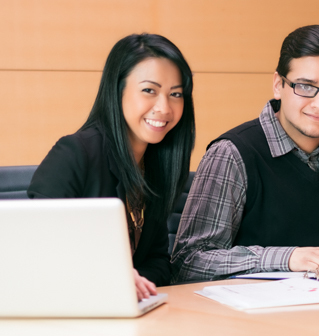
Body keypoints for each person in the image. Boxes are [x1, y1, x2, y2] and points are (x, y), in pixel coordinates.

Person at [171, 25, 319, 283]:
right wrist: (287, 259)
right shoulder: (232, 153)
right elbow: (189, 261)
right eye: (305, 87)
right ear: (278, 85)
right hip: (248, 318)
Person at [27, 33, 195, 300]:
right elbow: (35, 247)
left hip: (123, 310)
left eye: (175, 94)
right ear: (117, 91)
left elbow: (159, 261)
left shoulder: (157, 165)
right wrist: (111, 275)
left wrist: (133, 284)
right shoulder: (75, 153)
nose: (164, 107)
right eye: (149, 90)